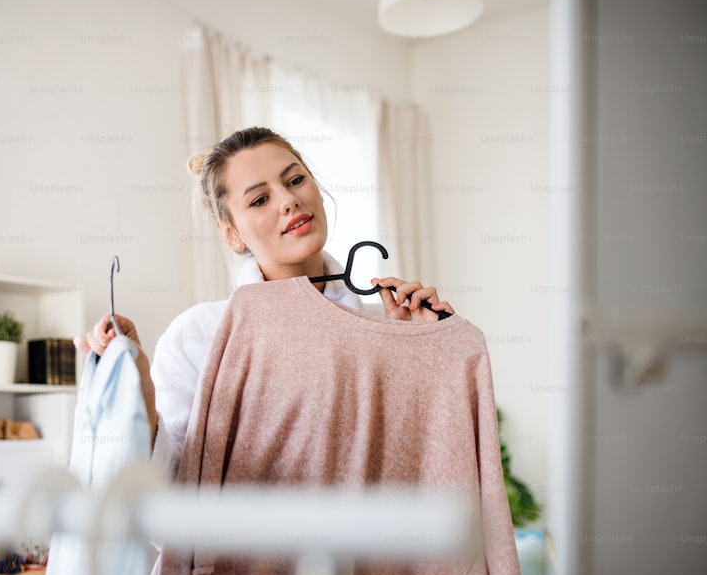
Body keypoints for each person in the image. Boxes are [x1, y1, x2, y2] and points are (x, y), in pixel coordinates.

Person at [74, 126, 455, 473]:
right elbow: (171, 494)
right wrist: (138, 386)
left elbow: (425, 471)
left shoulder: (389, 324)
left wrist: (428, 357)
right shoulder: (200, 335)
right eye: (259, 200)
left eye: (295, 180)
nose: (288, 200)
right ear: (232, 235)